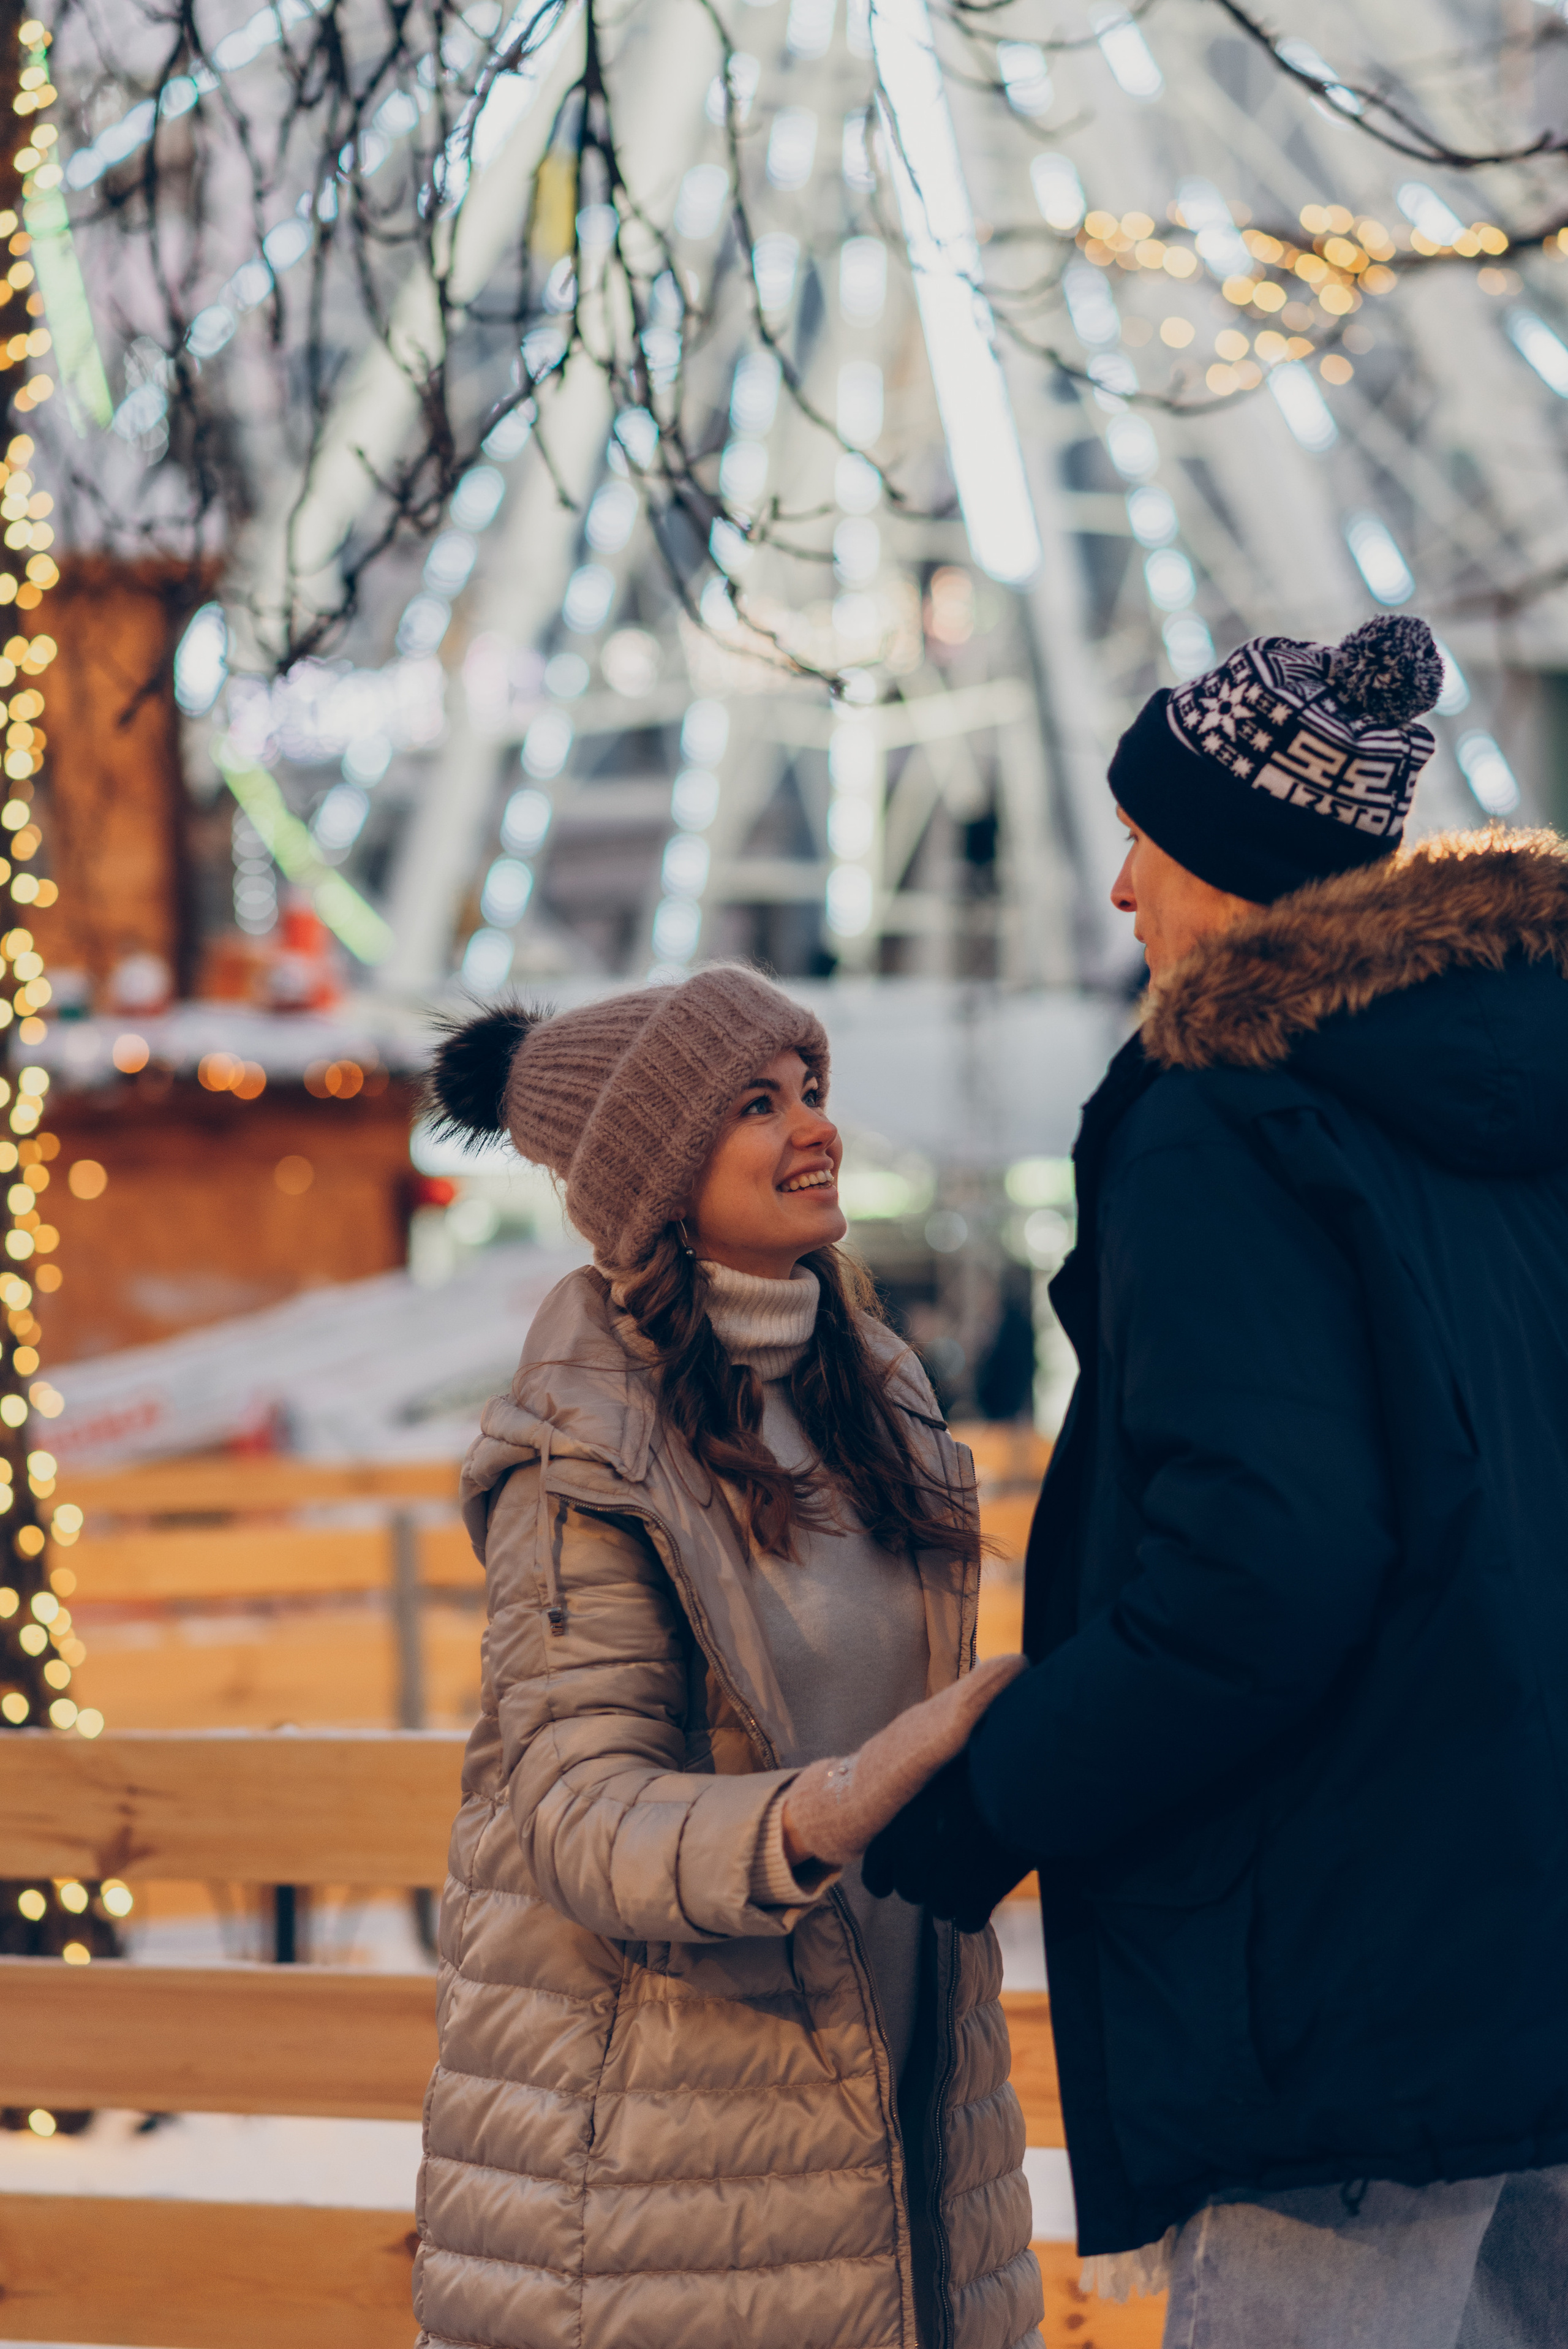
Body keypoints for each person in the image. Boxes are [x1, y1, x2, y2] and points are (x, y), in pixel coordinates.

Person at [865, 614, 1568, 2344]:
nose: (1121, 894)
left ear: (1230, 866)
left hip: (1340, 1954)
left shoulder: (1224, 1118)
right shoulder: (1522, 1103)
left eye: (1144, 843)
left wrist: (1003, 1797)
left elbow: (1267, 1565)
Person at [413, 964, 1042, 2349]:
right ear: (655, 1172)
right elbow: (582, 1818)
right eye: (755, 1105)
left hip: (909, 2113)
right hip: (666, 2174)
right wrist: (837, 1801)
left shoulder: (883, 1406)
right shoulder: (583, 1456)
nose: (812, 1125)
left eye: (809, 1089)